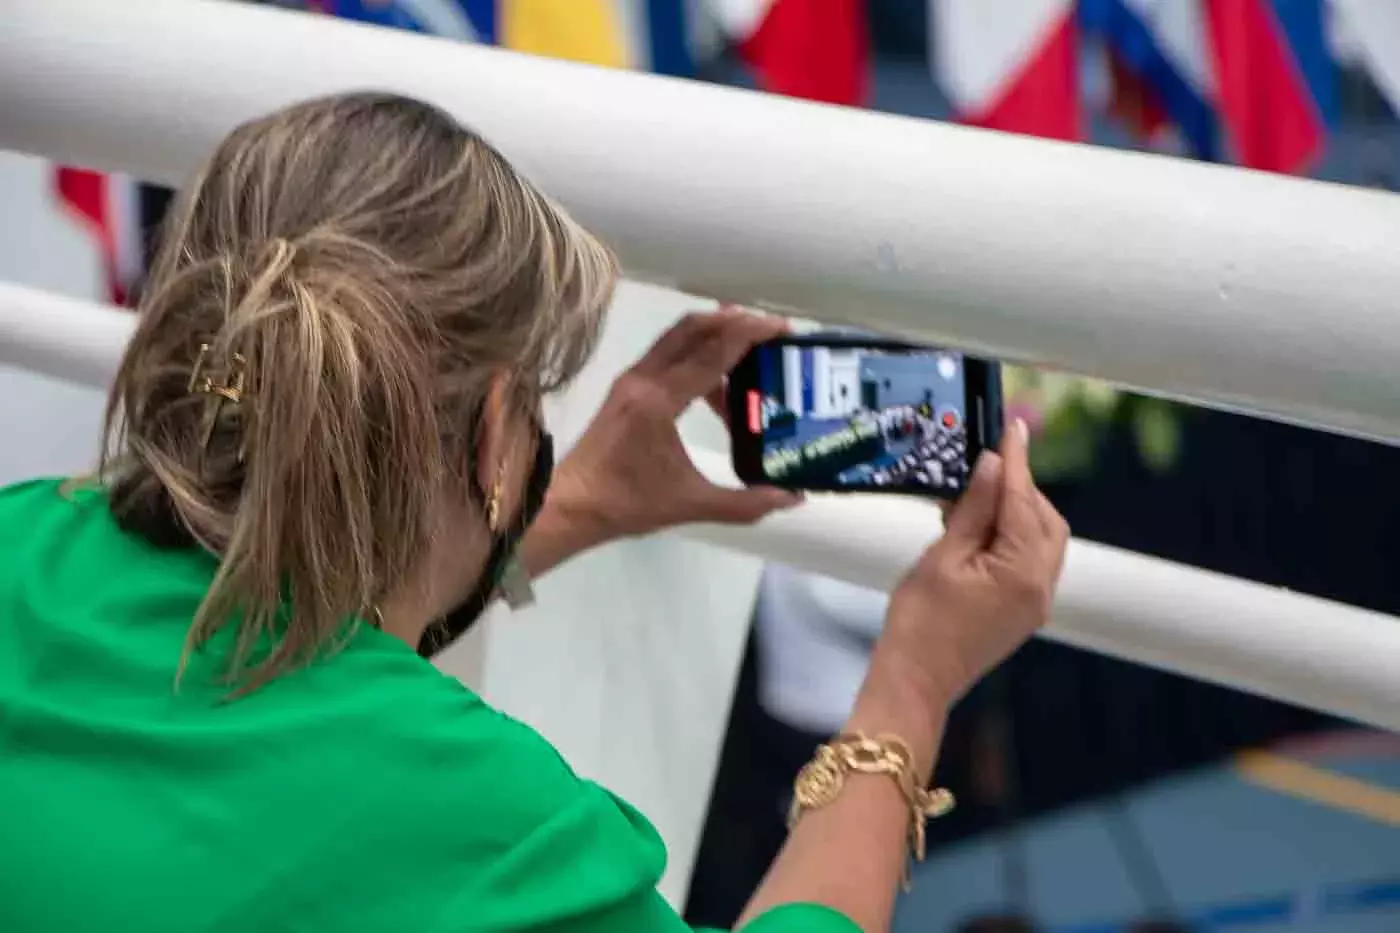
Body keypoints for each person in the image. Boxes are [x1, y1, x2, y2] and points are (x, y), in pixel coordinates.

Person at [0, 92, 1069, 932]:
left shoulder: (23, 535)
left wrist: (576, 506)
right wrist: (910, 686)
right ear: (497, 430)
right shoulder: (471, 816)